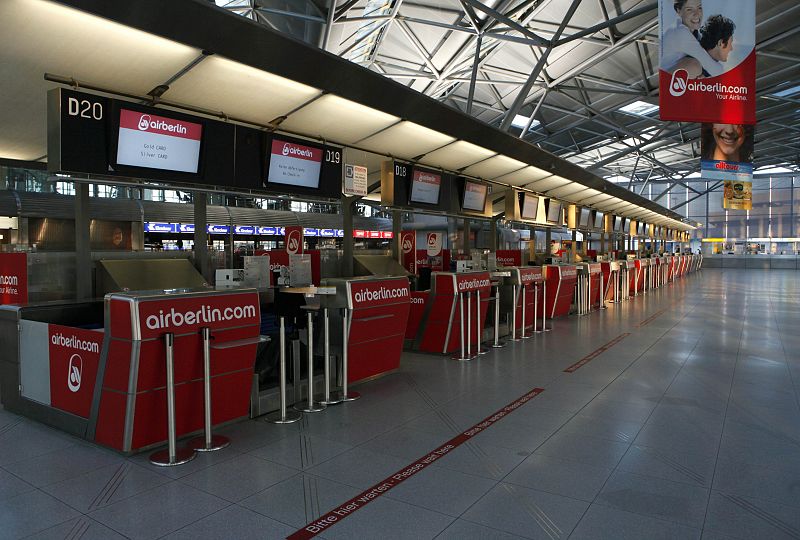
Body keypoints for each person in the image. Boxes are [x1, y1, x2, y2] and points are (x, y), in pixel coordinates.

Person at [661, 0, 724, 78]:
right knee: (694, 66)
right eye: (689, 9)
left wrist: (705, 74)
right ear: (678, 11)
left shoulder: (692, 32)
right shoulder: (681, 33)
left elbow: (709, 59)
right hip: (661, 79)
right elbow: (715, 69)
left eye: (699, 8)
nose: (697, 14)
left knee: (697, 65)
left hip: (668, 74)